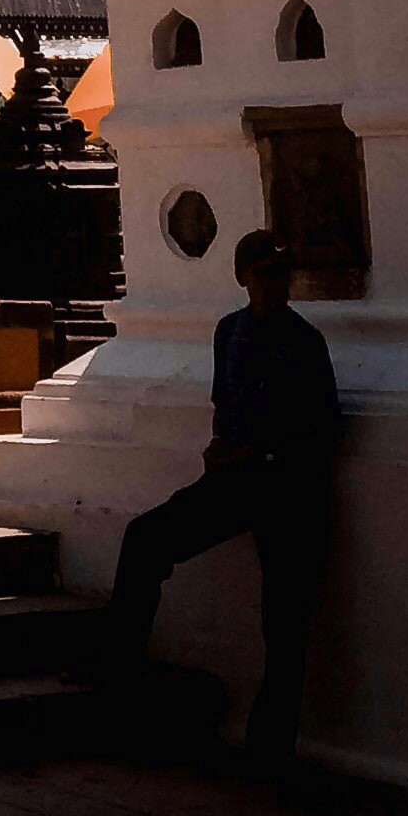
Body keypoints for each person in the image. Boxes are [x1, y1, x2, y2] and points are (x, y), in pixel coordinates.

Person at [105, 229, 341, 764]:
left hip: (289, 491)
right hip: (233, 482)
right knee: (144, 539)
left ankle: (269, 749)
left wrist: (259, 451)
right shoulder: (228, 332)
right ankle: (118, 674)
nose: (276, 286)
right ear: (243, 279)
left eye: (282, 275)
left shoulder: (304, 342)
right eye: (265, 275)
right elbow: (224, 402)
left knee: (285, 624)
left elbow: (323, 426)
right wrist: (220, 448)